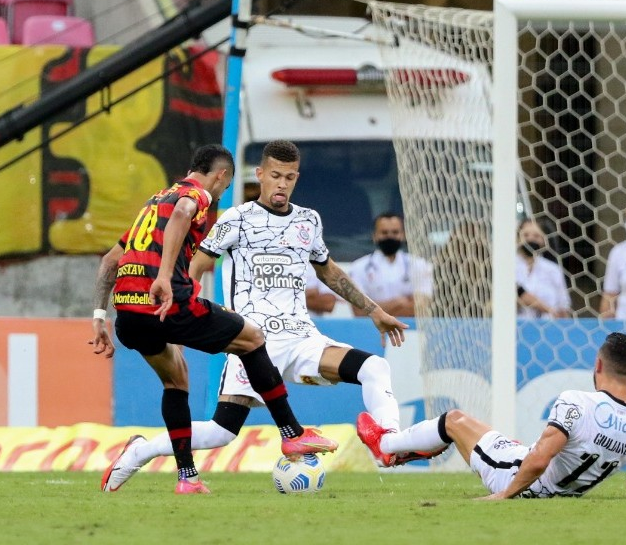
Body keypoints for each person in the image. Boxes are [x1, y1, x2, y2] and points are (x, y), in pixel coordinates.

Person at [102, 139, 412, 490]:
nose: (282, 184)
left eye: (290, 177)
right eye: (275, 176)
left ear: (297, 178)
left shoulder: (308, 221)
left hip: (302, 338)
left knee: (374, 366)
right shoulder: (237, 218)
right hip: (253, 342)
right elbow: (195, 267)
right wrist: (182, 318)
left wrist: (374, 310)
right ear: (260, 175)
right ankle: (141, 451)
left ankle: (389, 444)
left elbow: (329, 272)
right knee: (221, 432)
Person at [357, 331, 626, 500]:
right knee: (481, 431)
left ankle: (385, 447)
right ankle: (404, 449)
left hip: (522, 480)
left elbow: (541, 460)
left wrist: (505, 495)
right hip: (551, 480)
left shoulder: (577, 402)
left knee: (453, 421)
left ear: (598, 365)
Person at [348, 213, 432, 317]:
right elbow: (359, 310)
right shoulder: (359, 267)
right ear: (374, 236)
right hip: (372, 329)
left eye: (395, 232)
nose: (390, 236)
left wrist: (375, 309)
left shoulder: (419, 264)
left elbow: (422, 307)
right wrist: (399, 302)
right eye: (384, 233)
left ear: (403, 235)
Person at [515, 218, 571, 318]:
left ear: (545, 240)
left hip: (548, 329)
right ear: (518, 238)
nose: (530, 239)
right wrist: (544, 307)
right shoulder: (507, 267)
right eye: (526, 235)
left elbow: (563, 308)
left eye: (536, 236)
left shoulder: (553, 270)